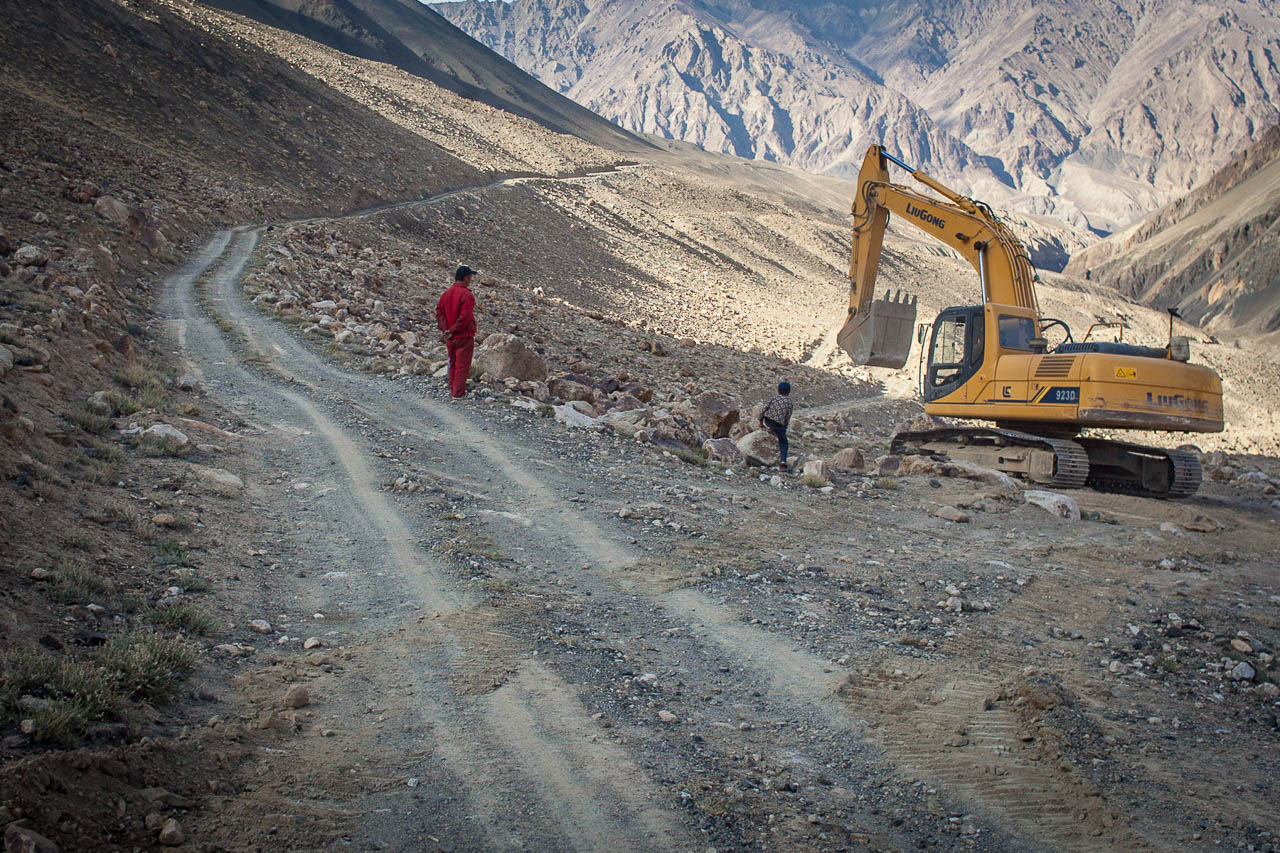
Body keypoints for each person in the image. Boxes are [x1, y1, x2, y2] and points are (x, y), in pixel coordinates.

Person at [435, 265, 477, 399]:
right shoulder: (467, 295)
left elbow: (439, 312)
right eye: (470, 277)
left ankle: (453, 389)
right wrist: (452, 330)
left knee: (452, 363)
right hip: (463, 336)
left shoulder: (446, 293)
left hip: (450, 337)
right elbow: (464, 318)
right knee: (462, 366)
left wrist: (446, 329)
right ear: (465, 278)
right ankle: (458, 394)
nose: (471, 279)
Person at [760, 381, 793, 470]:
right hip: (779, 425)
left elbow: (764, 409)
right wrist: (784, 427)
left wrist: (761, 422)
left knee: (771, 425)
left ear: (778, 390)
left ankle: (770, 427)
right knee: (783, 442)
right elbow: (787, 416)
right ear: (788, 392)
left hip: (768, 421)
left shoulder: (774, 398)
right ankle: (783, 461)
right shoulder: (789, 402)